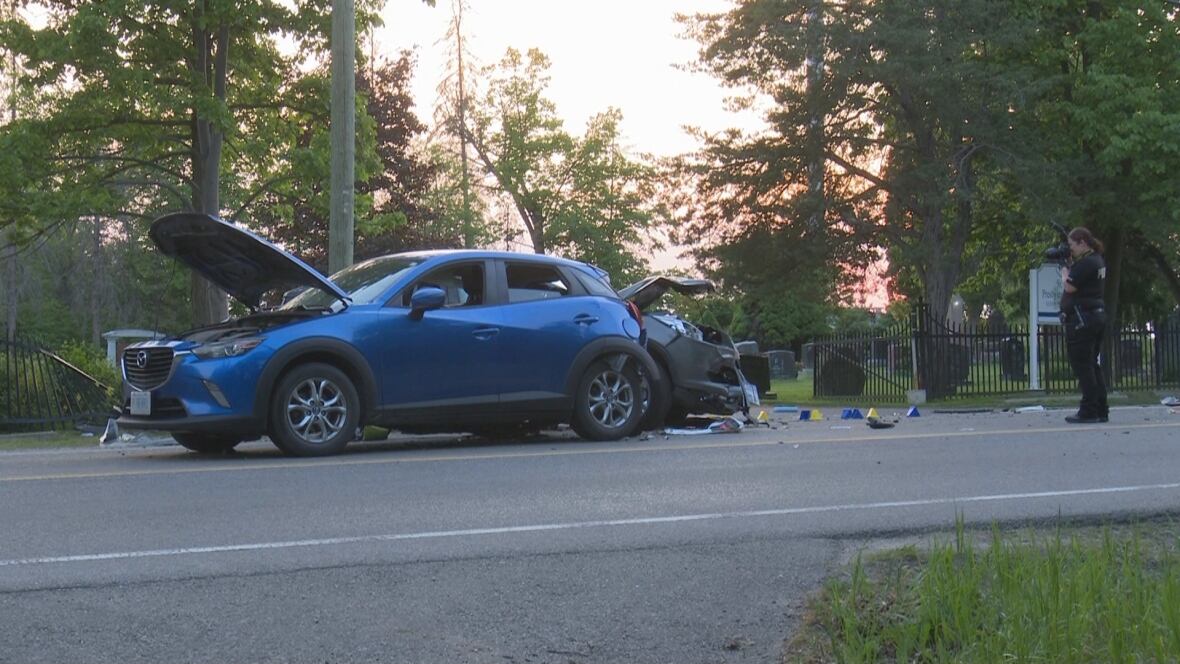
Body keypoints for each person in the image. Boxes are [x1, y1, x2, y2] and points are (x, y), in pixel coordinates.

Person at [1059, 227, 1108, 423]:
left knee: (1083, 366)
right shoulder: (1097, 260)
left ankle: (1089, 410)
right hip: (1095, 317)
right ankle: (1100, 408)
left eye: (1072, 245)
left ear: (1082, 242)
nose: (1070, 249)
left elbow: (1070, 286)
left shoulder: (1087, 263)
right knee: (1092, 365)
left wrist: (1064, 272)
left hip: (1083, 320)